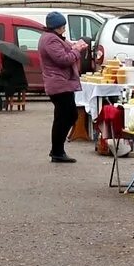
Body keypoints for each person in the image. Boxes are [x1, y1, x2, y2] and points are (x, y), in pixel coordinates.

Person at [37, 11, 83, 164]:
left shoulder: (53, 38)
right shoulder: (50, 40)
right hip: (59, 84)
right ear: (57, 26)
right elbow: (63, 59)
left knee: (62, 117)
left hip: (61, 83)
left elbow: (65, 49)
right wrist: (77, 50)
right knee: (68, 116)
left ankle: (57, 151)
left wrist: (74, 46)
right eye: (63, 26)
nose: (64, 29)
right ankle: (57, 151)